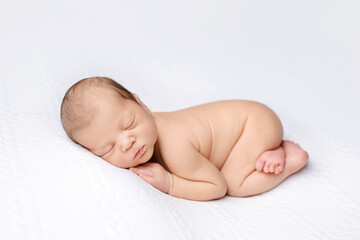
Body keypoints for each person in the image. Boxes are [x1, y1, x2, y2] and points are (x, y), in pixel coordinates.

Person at [60, 77, 309, 201]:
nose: (127, 143)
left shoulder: (175, 146)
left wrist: (170, 183)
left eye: (129, 125)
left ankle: (289, 159)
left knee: (235, 184)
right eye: (108, 148)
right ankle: (267, 150)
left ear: (141, 104)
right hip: (248, 124)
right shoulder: (148, 127)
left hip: (254, 124)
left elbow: (217, 187)